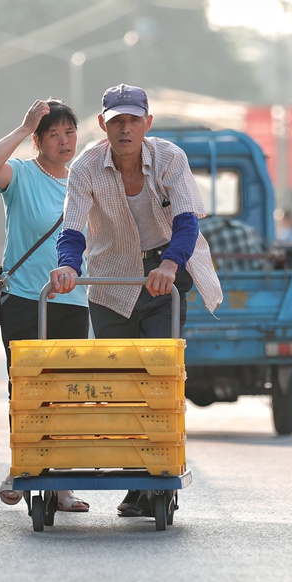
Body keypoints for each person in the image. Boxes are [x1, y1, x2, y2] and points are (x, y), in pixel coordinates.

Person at [48, 83, 222, 517]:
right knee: (120, 383)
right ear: (103, 124)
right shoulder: (86, 165)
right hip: (109, 281)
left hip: (165, 277)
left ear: (147, 122)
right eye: (116, 121)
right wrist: (69, 265)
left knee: (158, 377)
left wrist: (170, 265)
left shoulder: (170, 158)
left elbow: (186, 220)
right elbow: (72, 228)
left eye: (133, 120)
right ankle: (136, 479)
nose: (125, 129)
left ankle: (155, 477)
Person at [0, 98, 90, 512]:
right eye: (54, 135)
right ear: (40, 141)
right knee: (25, 390)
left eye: (70, 133)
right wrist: (24, 126)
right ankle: (23, 469)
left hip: (74, 302)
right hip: (26, 299)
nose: (64, 142)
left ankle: (61, 487)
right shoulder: (22, 176)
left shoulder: (83, 181)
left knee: (65, 393)